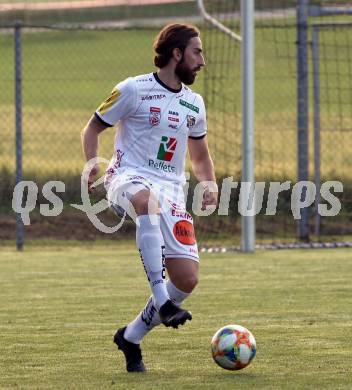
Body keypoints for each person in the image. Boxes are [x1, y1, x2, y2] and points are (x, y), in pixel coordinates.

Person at [81, 23, 218, 372]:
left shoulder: (194, 103)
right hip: (127, 177)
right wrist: (90, 165)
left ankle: (131, 335)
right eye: (197, 52)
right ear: (177, 54)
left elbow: (200, 156)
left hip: (171, 188)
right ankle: (161, 299)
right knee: (147, 202)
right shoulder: (133, 89)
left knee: (186, 280)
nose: (202, 60)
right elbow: (93, 126)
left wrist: (211, 184)